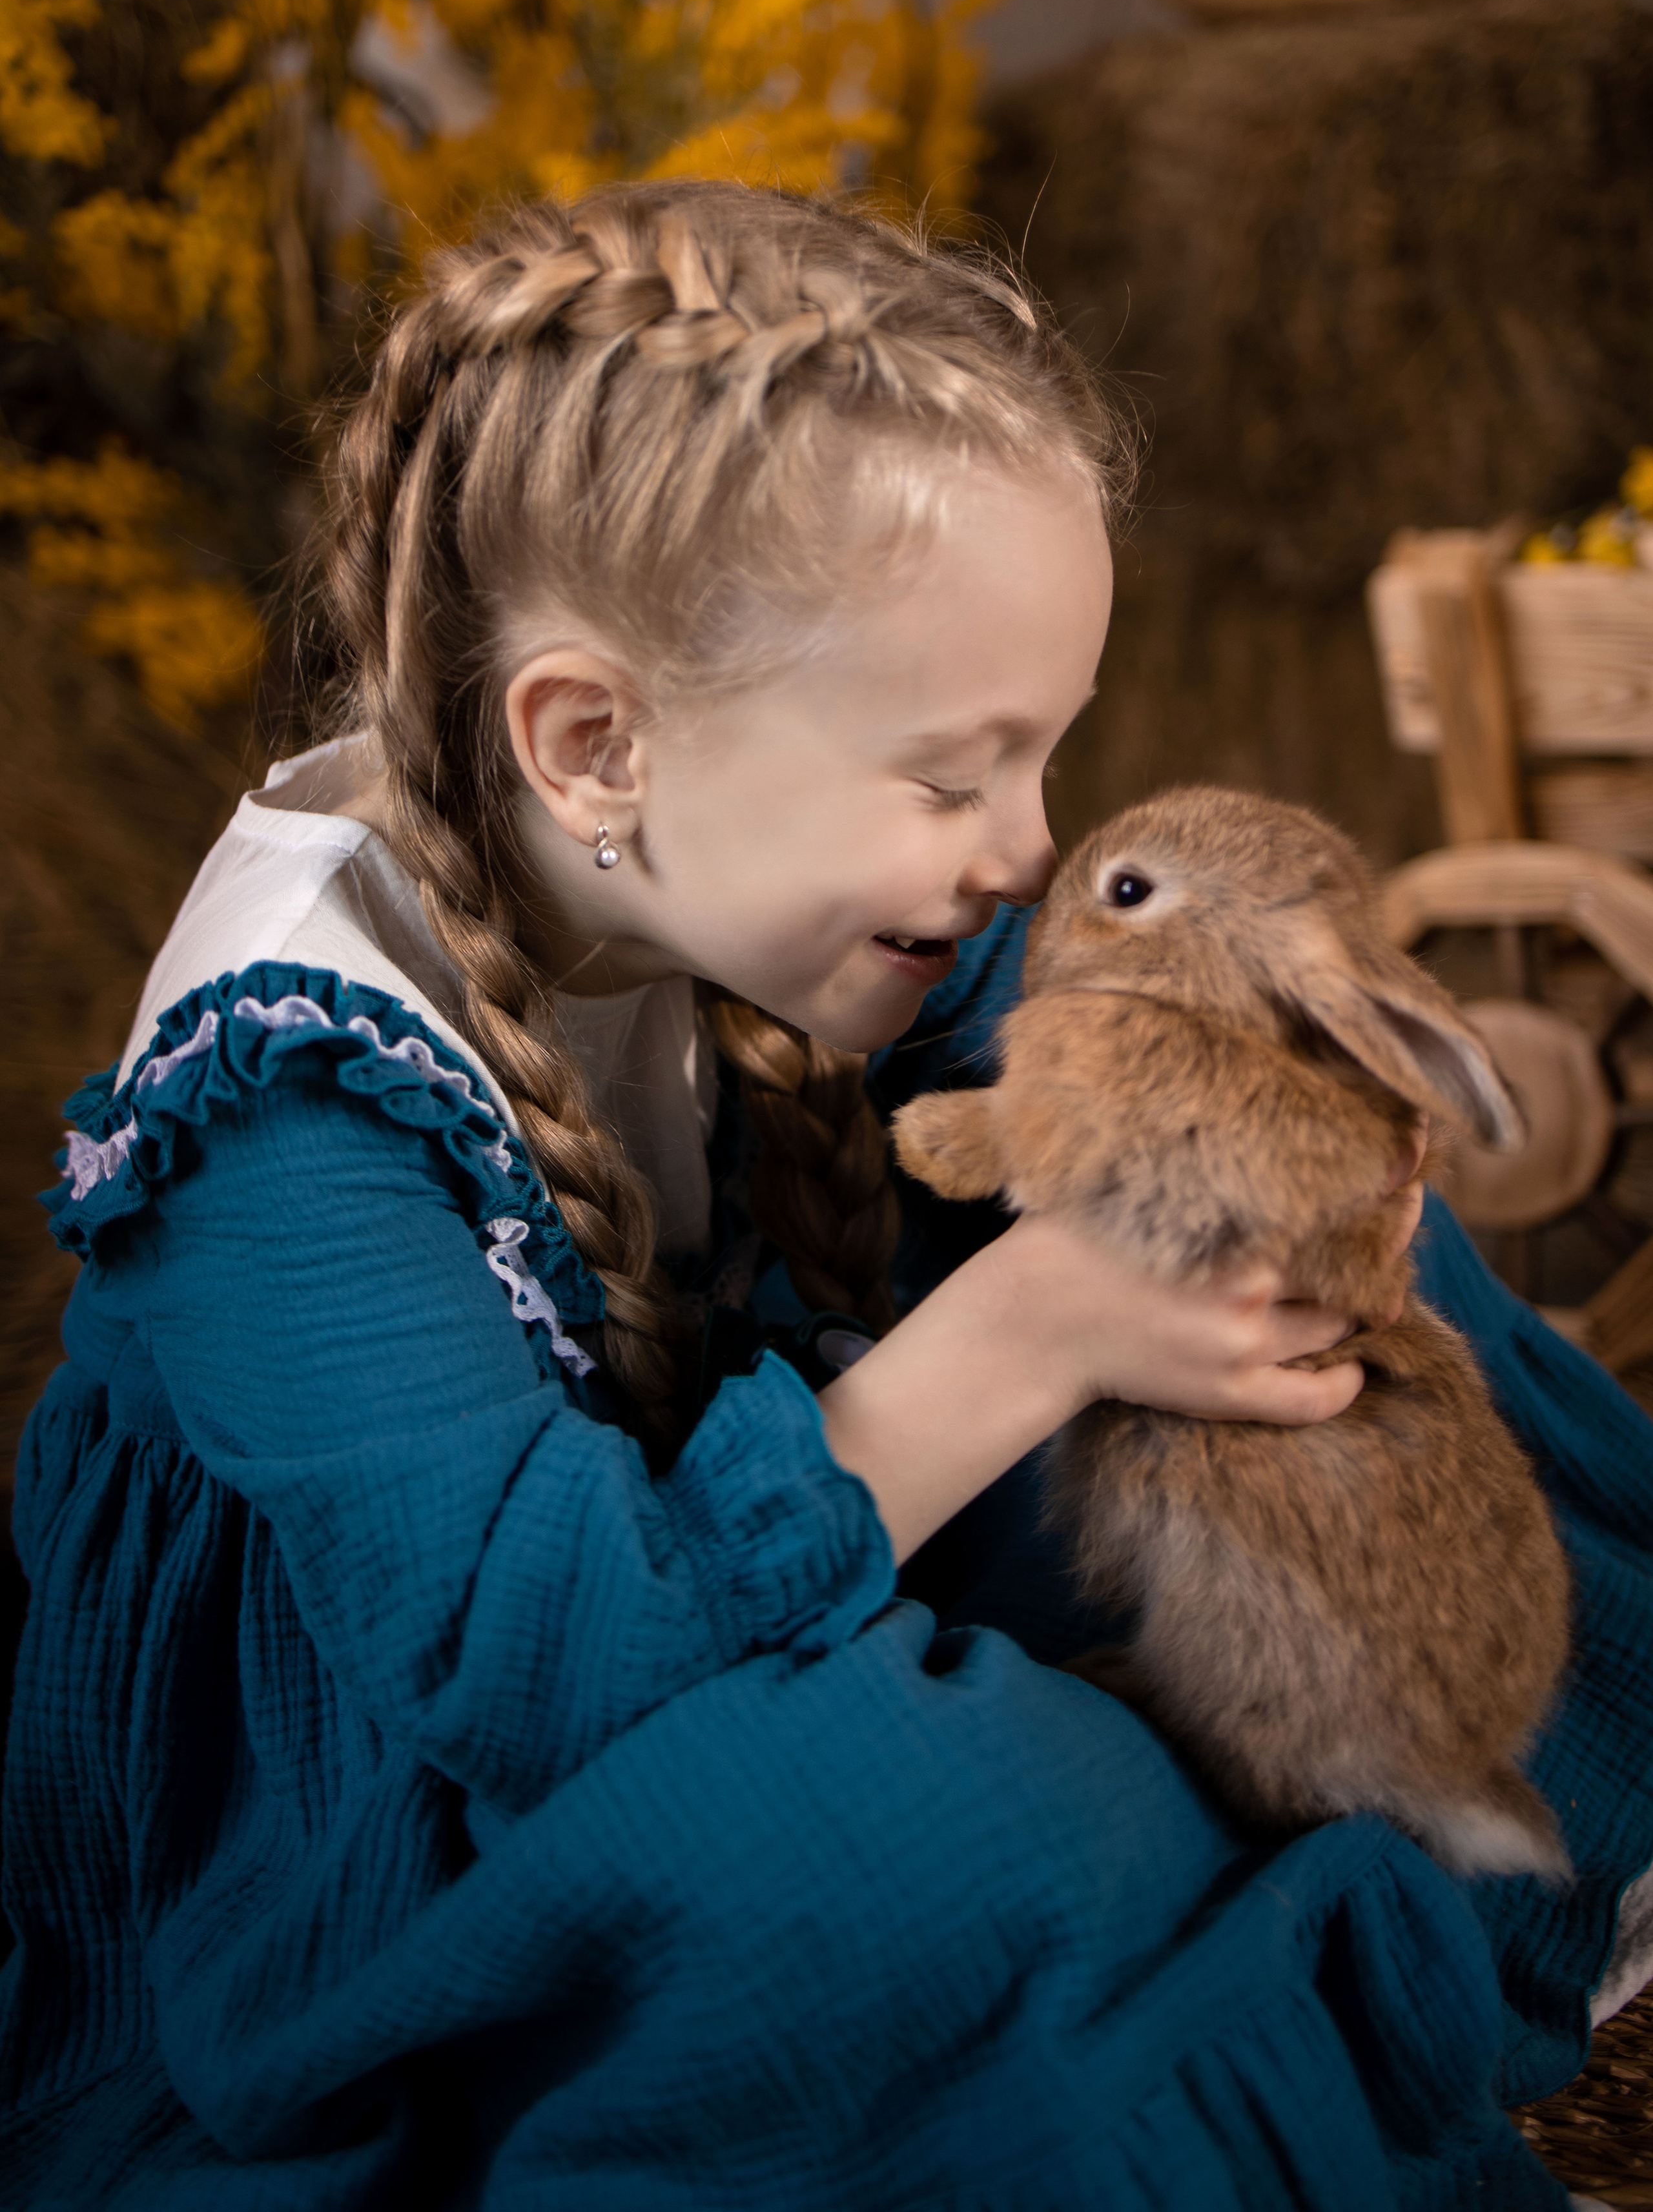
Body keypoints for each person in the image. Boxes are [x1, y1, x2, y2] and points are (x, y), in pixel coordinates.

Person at [1, 181, 1648, 2211]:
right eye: (957, 777)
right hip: (439, 1761)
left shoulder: (756, 861)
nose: (1024, 850)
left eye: (1045, 761)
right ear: (596, 743)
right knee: (938, 1845)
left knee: (1290, 1290)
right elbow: (546, 1672)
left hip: (740, 1528)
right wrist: (1044, 1321)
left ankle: (1462, 1799)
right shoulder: (283, 1111)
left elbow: (1070, 1094)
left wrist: (1245, 1165)